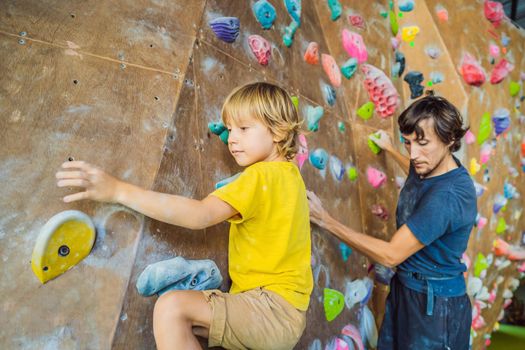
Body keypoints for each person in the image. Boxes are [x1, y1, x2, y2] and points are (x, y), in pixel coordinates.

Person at [56, 82, 313, 350]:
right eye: (230, 130)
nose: (233, 138)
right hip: (284, 314)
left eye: (244, 129)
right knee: (188, 322)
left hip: (268, 308)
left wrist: (118, 190)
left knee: (172, 308)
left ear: (277, 131)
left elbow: (199, 214)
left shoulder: (262, 176)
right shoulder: (291, 178)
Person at [307, 94, 477, 350]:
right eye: (408, 143)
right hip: (409, 289)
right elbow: (415, 169)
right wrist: (390, 150)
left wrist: (325, 220)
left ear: (450, 140)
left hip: (434, 306)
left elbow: (390, 255)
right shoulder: (433, 164)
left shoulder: (447, 197)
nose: (414, 153)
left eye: (422, 143)